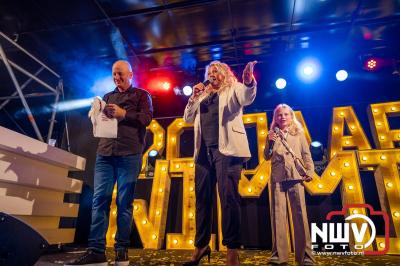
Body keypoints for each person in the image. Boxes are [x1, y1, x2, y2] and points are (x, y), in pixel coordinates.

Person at [66, 60, 153, 266]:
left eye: (120, 74)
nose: (117, 78)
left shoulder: (142, 95)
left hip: (129, 155)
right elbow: (102, 123)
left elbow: (147, 118)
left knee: (124, 204)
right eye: (114, 74)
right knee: (99, 202)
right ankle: (96, 251)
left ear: (130, 74)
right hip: (105, 154)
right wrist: (95, 115)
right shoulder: (107, 97)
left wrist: (124, 114)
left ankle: (121, 251)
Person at [183, 60, 257, 266]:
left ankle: (232, 251)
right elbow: (188, 118)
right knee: (202, 201)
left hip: (228, 151)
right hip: (204, 153)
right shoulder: (203, 94)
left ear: (224, 73)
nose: (212, 74)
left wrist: (249, 82)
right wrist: (193, 97)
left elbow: (247, 97)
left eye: (216, 70)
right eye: (209, 71)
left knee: (228, 200)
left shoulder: (233, 89)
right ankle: (201, 246)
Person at [264, 104, 315, 265]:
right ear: (275, 118)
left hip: (296, 176)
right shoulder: (271, 135)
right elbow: (266, 156)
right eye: (279, 115)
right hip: (278, 178)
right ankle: (279, 256)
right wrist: (269, 142)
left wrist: (310, 171)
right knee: (278, 218)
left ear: (291, 116)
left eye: (286, 114)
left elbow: (306, 155)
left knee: (300, 217)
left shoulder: (299, 134)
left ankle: (306, 257)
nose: (283, 117)